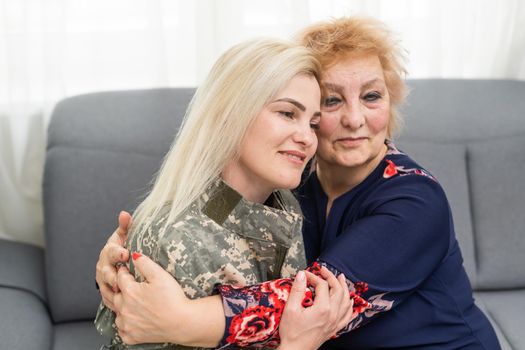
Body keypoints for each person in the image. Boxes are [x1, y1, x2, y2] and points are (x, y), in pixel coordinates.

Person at [97, 17, 501, 349]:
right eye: (331, 101)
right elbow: (215, 215)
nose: (355, 119)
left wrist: (179, 321)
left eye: (372, 97)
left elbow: (310, 304)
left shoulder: (415, 200)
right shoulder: (291, 178)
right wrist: (128, 258)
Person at [94, 38, 355, 350]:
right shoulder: (181, 242)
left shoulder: (283, 205)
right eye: (287, 113)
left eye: (313, 124)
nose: (306, 138)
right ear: (231, 114)